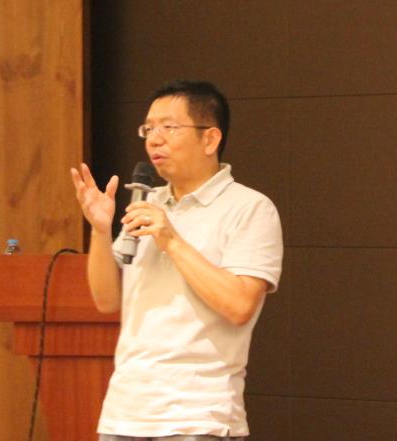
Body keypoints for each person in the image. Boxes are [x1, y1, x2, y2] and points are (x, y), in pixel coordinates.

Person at [70, 80, 283, 441]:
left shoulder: (250, 209)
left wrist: (170, 240)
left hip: (198, 417)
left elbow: (240, 306)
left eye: (169, 127)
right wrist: (100, 231)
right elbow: (106, 300)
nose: (154, 139)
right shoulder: (147, 203)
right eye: (148, 129)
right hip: (124, 414)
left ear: (210, 139)